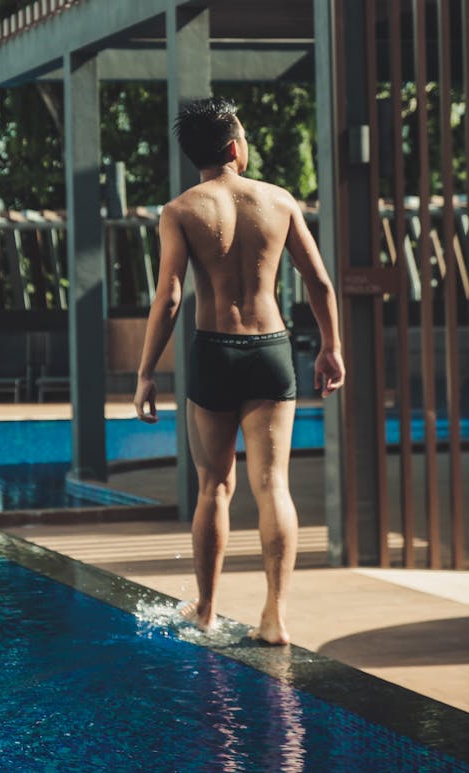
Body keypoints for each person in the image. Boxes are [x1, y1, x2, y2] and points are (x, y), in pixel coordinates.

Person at [134, 97, 345, 644]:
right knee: (273, 483)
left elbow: (171, 295)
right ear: (235, 147)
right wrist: (331, 346)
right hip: (270, 347)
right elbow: (320, 283)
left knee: (214, 487)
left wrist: (145, 372)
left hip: (213, 352)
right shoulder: (278, 201)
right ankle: (274, 618)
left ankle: (205, 610)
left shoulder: (181, 210)